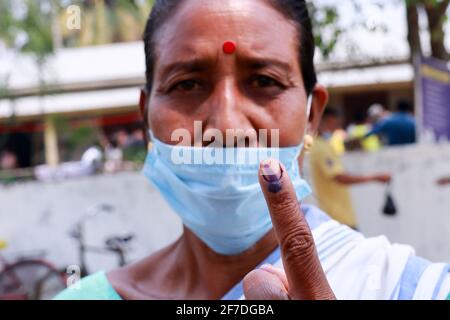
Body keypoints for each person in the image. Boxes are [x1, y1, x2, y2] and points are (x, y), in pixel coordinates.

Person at [55, 0, 449, 300]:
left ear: (313, 115)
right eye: (188, 84)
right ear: (146, 117)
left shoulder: (400, 285)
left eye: (264, 81)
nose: (227, 127)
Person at [309, 108, 391, 229]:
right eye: (334, 123)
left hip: (340, 217)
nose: (336, 127)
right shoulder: (321, 147)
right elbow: (339, 177)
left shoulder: (325, 144)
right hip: (337, 218)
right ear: (324, 121)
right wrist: (374, 177)